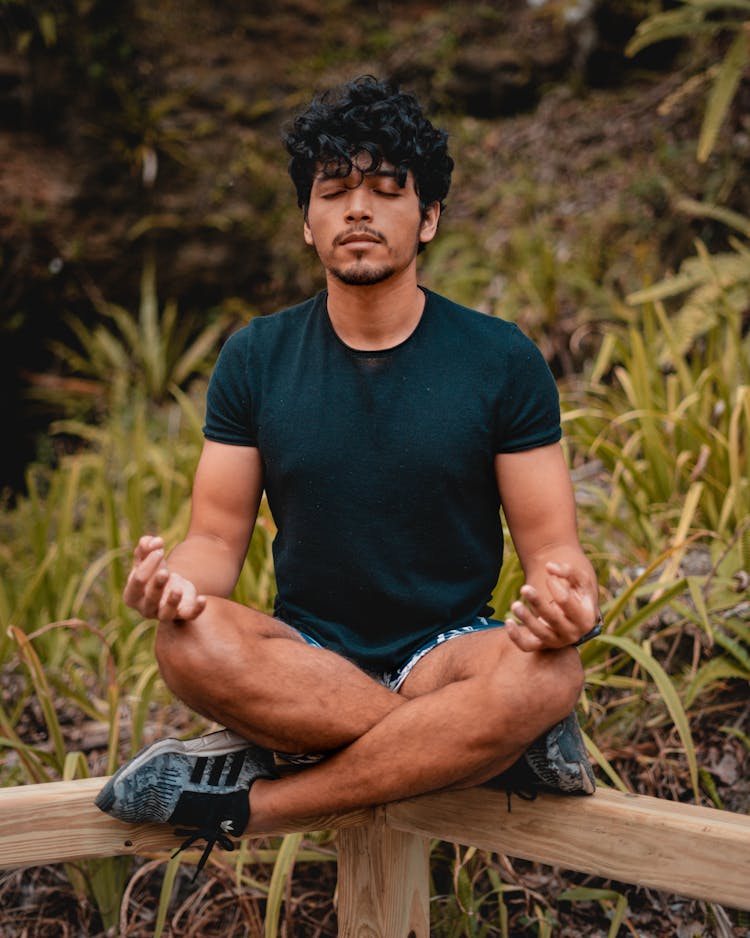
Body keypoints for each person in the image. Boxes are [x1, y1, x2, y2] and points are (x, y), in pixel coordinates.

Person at [95, 75, 601, 876]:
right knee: (188, 643)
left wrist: (569, 603)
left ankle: (250, 803)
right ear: (307, 222)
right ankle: (481, 745)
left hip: (447, 649)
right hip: (307, 655)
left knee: (550, 672)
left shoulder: (501, 359)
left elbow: (555, 553)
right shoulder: (256, 358)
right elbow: (215, 541)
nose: (358, 209)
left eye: (386, 191)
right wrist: (174, 585)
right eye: (334, 192)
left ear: (427, 217)